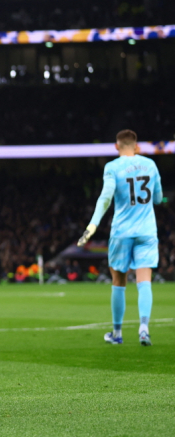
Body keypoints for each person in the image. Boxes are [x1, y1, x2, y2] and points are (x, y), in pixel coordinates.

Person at [77, 129, 163, 346]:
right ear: (136, 146)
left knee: (119, 282)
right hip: (146, 231)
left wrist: (92, 225)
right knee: (145, 281)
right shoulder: (151, 165)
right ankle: (144, 328)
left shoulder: (113, 167)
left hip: (122, 232)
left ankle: (117, 333)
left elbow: (106, 197)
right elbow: (159, 198)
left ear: (117, 146)